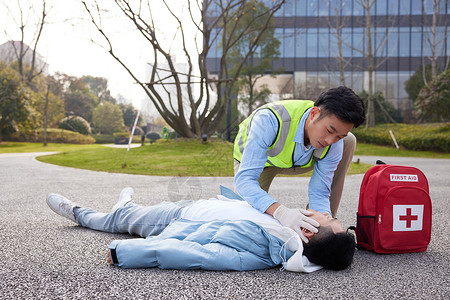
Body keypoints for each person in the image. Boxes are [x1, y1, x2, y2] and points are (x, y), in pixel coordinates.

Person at [46, 186, 355, 272]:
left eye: (328, 219)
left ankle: (79, 212)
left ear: (310, 232)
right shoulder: (287, 224)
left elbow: (199, 254)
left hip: (178, 219)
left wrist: (127, 252)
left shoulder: (263, 252)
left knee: (115, 223)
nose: (326, 214)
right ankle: (125, 206)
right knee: (131, 216)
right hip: (198, 206)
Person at [233, 86, 365, 242]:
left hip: (301, 161)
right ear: (314, 114)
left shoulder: (335, 141)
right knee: (243, 224)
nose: (330, 141)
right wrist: (281, 212)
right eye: (329, 131)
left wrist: (321, 226)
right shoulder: (268, 120)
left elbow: (320, 192)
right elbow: (245, 181)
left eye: (338, 136)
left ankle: (328, 228)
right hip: (262, 162)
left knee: (349, 140)